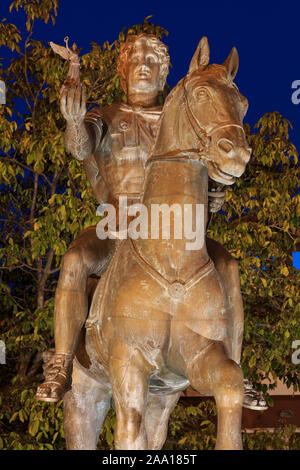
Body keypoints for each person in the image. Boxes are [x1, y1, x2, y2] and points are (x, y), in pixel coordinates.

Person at [35, 33, 266, 410]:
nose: (143, 64)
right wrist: (74, 118)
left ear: (163, 76)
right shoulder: (106, 116)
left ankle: (237, 366)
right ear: (122, 72)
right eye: (135, 59)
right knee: (75, 259)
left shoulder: (182, 111)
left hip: (177, 227)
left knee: (229, 266)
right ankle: (61, 361)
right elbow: (80, 145)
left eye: (153, 60)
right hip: (118, 224)